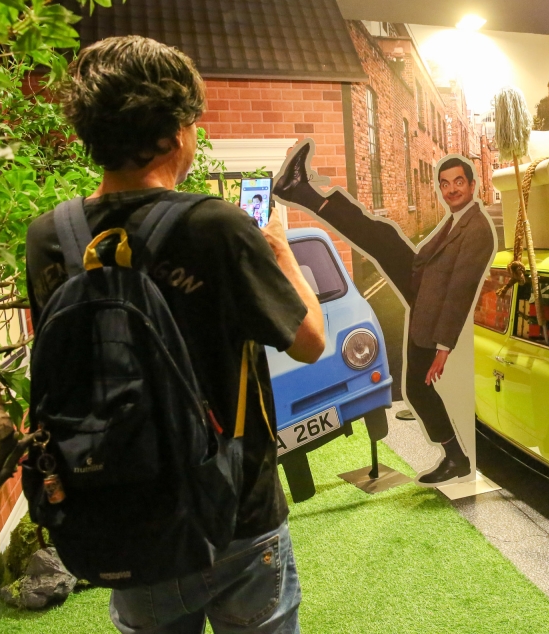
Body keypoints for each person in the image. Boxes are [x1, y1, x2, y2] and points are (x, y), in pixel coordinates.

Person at [25, 35, 325, 634]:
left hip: (120, 514)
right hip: (236, 517)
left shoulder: (49, 236)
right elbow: (310, 340)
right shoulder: (217, 227)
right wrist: (282, 250)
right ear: (176, 132)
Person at [274, 147, 495, 484]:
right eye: (445, 183)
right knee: (383, 235)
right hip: (422, 289)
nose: (451, 189)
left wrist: (443, 346)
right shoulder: (459, 220)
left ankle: (456, 458)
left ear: (473, 185)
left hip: (429, 310)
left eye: (458, 182)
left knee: (417, 390)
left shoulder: (477, 228)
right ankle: (300, 191)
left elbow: (460, 292)